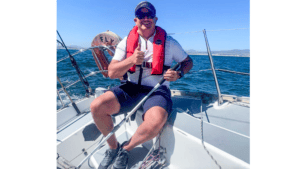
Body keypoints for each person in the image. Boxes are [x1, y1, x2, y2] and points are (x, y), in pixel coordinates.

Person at [90, 1, 193, 169]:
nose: (146, 18)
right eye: (141, 16)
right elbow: (111, 72)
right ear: (135, 20)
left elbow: (188, 62)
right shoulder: (125, 42)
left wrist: (178, 73)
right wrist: (131, 60)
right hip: (131, 88)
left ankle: (125, 149)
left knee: (155, 122)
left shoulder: (170, 42)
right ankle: (113, 147)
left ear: (155, 18)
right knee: (96, 107)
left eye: (149, 15)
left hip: (157, 90)